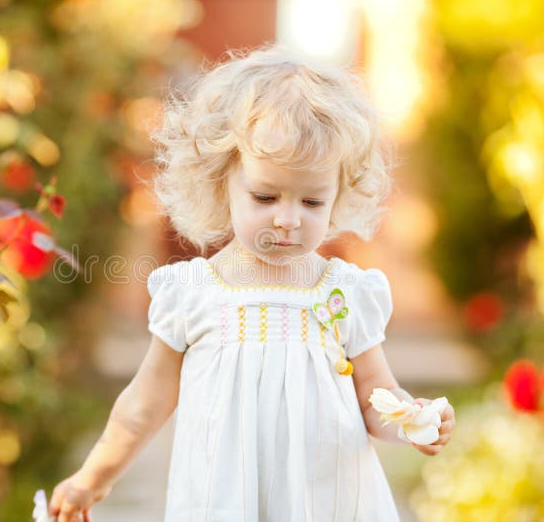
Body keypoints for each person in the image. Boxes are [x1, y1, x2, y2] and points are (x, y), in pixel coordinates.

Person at [49, 44, 455, 522]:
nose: (287, 219)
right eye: (265, 196)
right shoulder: (195, 294)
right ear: (222, 181)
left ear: (338, 194)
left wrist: (412, 422)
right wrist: (92, 478)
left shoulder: (344, 294)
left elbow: (375, 399)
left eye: (311, 202)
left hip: (325, 503)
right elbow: (145, 401)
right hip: (224, 501)